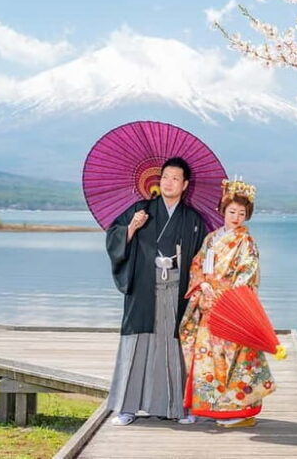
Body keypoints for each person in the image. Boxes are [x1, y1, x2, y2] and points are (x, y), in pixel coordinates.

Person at [105, 157, 206, 426]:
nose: (169, 182)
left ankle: (177, 407)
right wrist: (131, 228)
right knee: (137, 343)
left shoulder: (194, 219)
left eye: (175, 178)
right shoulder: (141, 210)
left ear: (185, 185)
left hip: (177, 288)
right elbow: (113, 238)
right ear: (158, 181)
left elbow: (201, 258)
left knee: (173, 345)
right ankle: (127, 408)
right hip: (144, 287)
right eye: (165, 177)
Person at [178, 177, 276, 428]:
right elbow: (197, 265)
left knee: (235, 359)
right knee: (206, 358)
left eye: (242, 213)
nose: (236, 217)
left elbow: (248, 273)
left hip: (230, 308)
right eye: (232, 211)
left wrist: (226, 293)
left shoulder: (246, 242)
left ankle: (240, 411)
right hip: (208, 305)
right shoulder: (211, 239)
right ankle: (209, 407)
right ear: (223, 211)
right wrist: (203, 284)